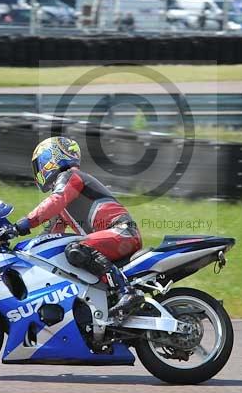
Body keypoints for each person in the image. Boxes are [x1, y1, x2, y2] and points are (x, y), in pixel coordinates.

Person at [12, 137, 145, 320]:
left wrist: (23, 224)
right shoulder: (64, 200)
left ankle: (126, 291)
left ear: (51, 158)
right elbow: (48, 236)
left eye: (39, 164)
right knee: (60, 253)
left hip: (122, 232)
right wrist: (20, 252)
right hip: (111, 239)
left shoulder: (70, 177)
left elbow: (55, 200)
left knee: (76, 248)